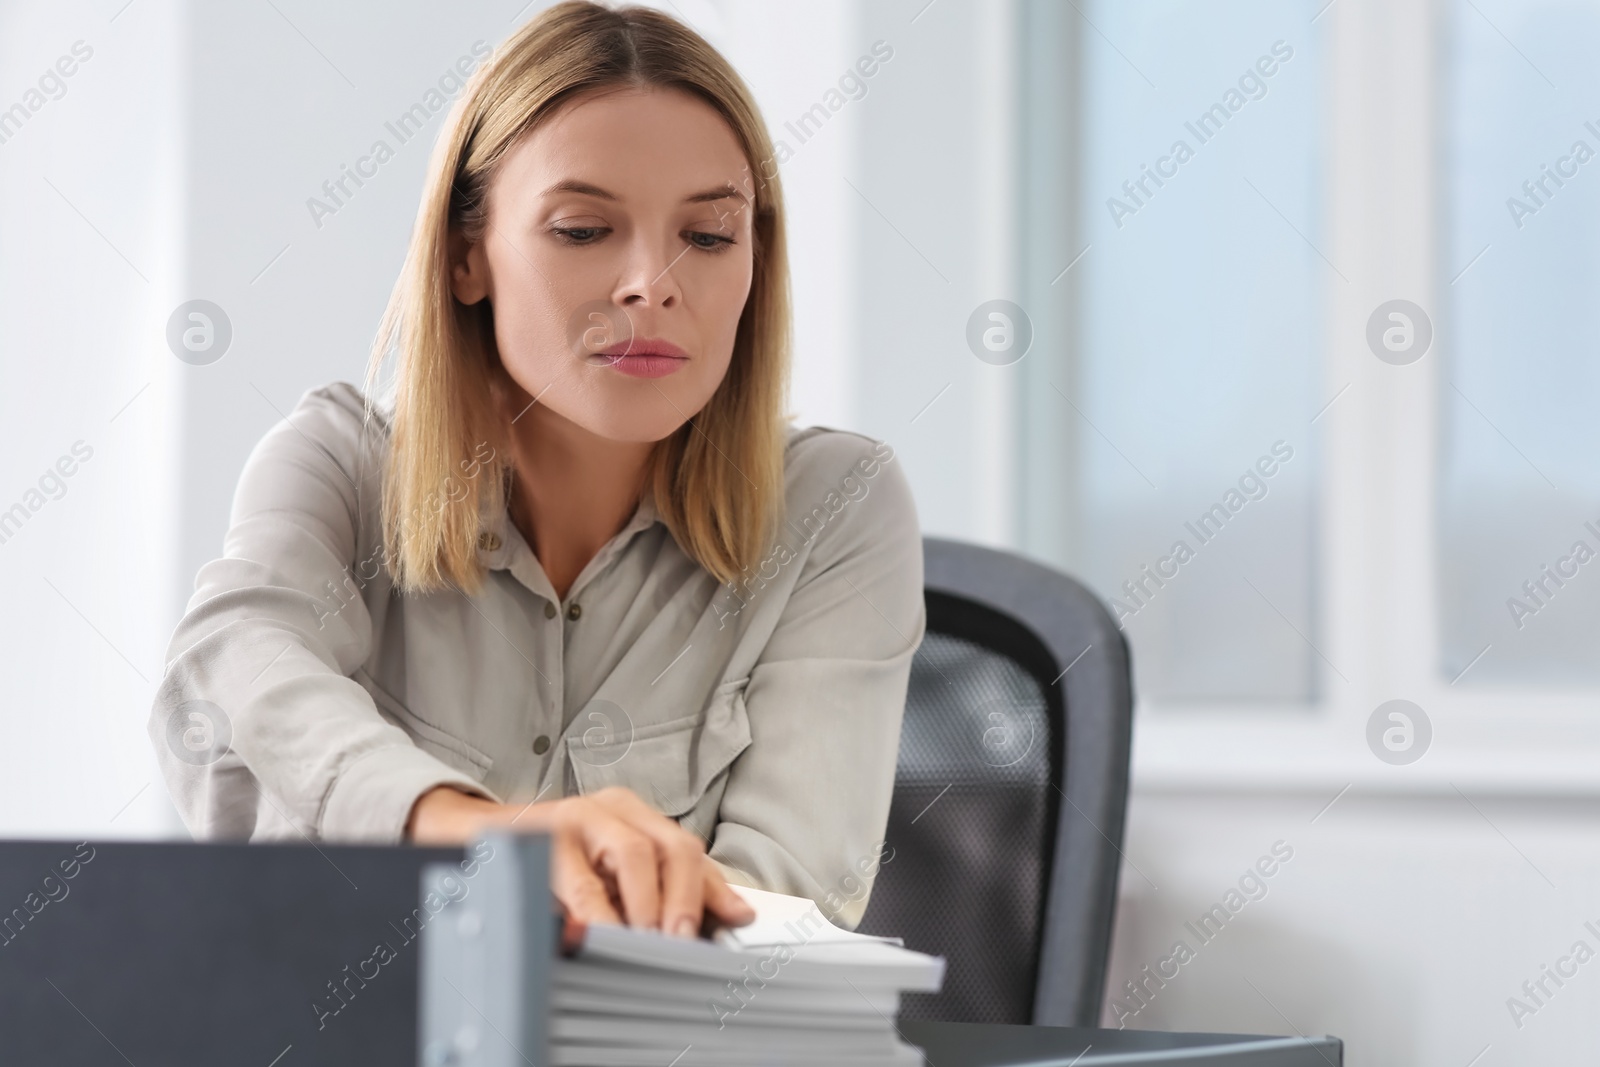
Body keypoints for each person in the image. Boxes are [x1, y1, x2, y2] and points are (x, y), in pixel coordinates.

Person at [149, 0, 925, 938]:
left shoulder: (838, 505)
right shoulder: (339, 466)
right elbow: (232, 672)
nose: (653, 281)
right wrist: (474, 835)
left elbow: (776, 917)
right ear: (468, 254)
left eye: (710, 236)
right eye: (583, 230)